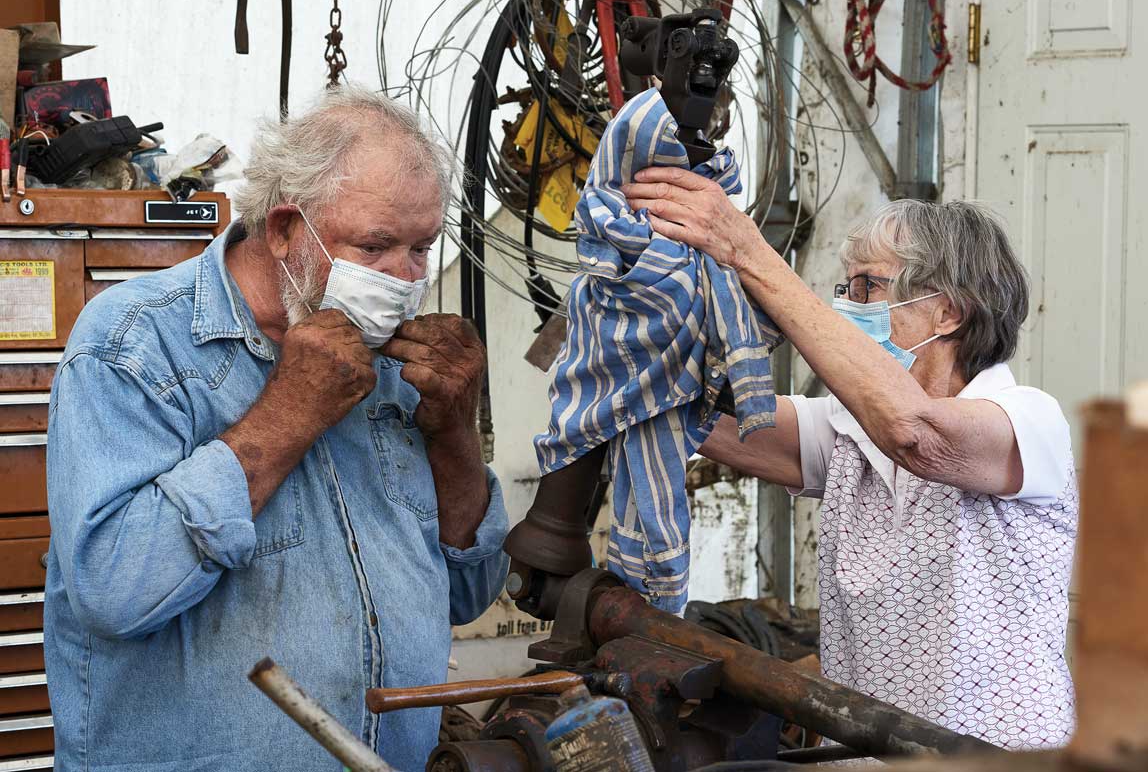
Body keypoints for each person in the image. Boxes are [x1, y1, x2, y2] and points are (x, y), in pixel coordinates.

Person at [44, 86, 509, 771]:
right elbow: (114, 589)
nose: (404, 278)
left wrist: (455, 435)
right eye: (376, 245)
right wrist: (291, 411)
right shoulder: (135, 342)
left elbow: (471, 592)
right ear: (286, 228)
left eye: (421, 248)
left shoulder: (393, 354)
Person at [620, 176, 1076, 750]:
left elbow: (914, 432)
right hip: (865, 756)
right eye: (847, 285)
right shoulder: (846, 430)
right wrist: (632, 321)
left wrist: (749, 252)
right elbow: (697, 415)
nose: (846, 306)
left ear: (947, 314)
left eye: (867, 287)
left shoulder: (1028, 422)